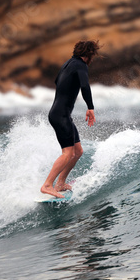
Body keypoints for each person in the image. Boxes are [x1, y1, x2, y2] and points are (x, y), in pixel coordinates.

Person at [41, 40, 100, 199]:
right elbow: (85, 86)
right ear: (89, 55)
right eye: (92, 55)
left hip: (60, 114)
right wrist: (90, 107)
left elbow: (57, 82)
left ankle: (60, 183)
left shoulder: (68, 64)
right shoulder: (81, 66)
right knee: (67, 153)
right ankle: (47, 185)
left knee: (78, 151)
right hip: (60, 116)